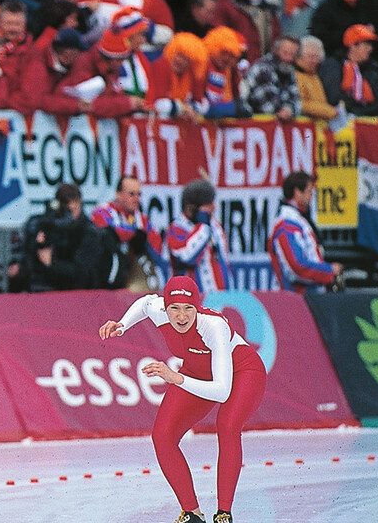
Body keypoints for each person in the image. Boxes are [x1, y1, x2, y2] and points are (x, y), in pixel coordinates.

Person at [98, 276, 266, 523]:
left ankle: (224, 514)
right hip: (196, 371)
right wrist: (122, 324)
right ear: (166, 308)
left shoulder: (213, 326)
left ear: (197, 308)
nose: (182, 316)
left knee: (228, 425)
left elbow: (222, 391)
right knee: (163, 436)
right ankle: (192, 513)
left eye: (189, 308)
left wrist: (175, 378)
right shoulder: (158, 310)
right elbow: (145, 303)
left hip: (243, 371)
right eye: (174, 308)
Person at [9, 183, 121, 291]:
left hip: (77, 295)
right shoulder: (47, 225)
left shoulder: (90, 233)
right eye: (66, 210)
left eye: (72, 210)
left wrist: (52, 264)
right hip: (43, 289)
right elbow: (30, 261)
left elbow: (83, 272)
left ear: (79, 204)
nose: (69, 216)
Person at [268, 171, 343, 293]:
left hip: (309, 298)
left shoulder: (298, 220)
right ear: (297, 192)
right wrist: (329, 270)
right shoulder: (286, 224)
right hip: (295, 302)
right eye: (309, 191)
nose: (312, 196)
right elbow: (296, 267)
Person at [93, 175, 168, 287]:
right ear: (118, 194)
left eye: (139, 194)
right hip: (106, 279)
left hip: (135, 276)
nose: (137, 199)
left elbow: (157, 249)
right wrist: (133, 233)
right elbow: (106, 232)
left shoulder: (142, 220)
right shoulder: (102, 212)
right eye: (131, 194)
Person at [167, 179, 231, 292]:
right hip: (191, 301)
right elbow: (186, 257)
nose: (213, 207)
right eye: (208, 204)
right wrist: (203, 226)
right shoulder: (176, 230)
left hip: (220, 297)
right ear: (191, 207)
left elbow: (224, 262)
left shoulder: (215, 226)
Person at [16, 27, 88, 117]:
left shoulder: (64, 67)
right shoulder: (38, 65)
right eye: (78, 51)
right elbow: (37, 100)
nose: (79, 56)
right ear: (68, 52)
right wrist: (74, 105)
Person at [319, 24, 378, 117]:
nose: (370, 49)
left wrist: (358, 113)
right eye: (366, 44)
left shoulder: (372, 69)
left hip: (365, 123)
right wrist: (353, 111)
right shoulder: (333, 65)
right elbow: (333, 97)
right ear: (352, 45)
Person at [146, 32, 207, 119]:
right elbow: (158, 103)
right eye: (179, 55)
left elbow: (200, 103)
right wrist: (183, 108)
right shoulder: (161, 66)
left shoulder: (192, 74)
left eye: (186, 59)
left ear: (193, 64)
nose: (179, 61)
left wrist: (189, 108)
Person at [240, 35, 300, 121]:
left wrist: (290, 110)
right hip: (254, 124)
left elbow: (297, 101)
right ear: (275, 50)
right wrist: (285, 111)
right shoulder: (262, 68)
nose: (289, 58)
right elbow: (267, 107)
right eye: (285, 53)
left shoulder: (289, 71)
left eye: (293, 55)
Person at [213, 0, 280, 63]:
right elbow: (218, 35)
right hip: (234, 64)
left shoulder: (270, 13)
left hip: (260, 67)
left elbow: (276, 42)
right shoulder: (228, 7)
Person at [201, 26, 247, 119]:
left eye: (231, 55)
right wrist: (232, 108)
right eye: (223, 52)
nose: (226, 58)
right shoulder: (201, 66)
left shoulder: (229, 71)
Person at [295, 35, 343, 121]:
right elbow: (301, 103)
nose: (313, 60)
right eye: (310, 56)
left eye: (316, 57)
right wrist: (328, 111)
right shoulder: (296, 75)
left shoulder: (314, 76)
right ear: (300, 56)